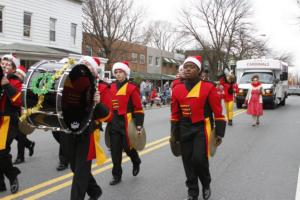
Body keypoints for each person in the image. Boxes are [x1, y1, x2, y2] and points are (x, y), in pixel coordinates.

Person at [171, 56, 226, 200]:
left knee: (199, 159)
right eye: (186, 66)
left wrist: (219, 133)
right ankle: (192, 191)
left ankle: (206, 183)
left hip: (202, 127)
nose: (188, 69)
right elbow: (175, 114)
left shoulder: (208, 87)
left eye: (192, 67)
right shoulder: (177, 89)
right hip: (184, 128)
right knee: (187, 161)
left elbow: (218, 112)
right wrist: (174, 134)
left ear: (199, 70)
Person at [60, 56, 113, 200]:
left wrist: (97, 103)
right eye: (82, 64)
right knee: (74, 168)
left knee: (80, 172)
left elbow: (108, 117)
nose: (84, 67)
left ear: (94, 72)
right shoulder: (67, 83)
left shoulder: (102, 87)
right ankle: (95, 191)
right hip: (69, 132)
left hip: (87, 134)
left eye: (88, 66)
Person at [108, 61, 144, 186]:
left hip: (127, 123)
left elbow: (138, 108)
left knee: (128, 148)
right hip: (113, 122)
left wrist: (139, 125)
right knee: (115, 151)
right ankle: (116, 175)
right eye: (116, 72)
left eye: (120, 72)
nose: (118, 75)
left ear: (126, 73)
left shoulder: (132, 88)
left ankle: (136, 161)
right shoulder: (111, 87)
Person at [0, 54, 22, 194]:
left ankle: (12, 176)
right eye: (3, 63)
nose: (4, 65)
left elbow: (18, 101)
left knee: (1, 152)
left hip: (8, 120)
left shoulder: (15, 81)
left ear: (13, 69)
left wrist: (6, 84)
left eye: (8, 64)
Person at [13, 65, 35, 165]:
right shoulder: (12, 83)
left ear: (23, 77)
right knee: (14, 134)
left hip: (23, 113)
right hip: (13, 113)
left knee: (21, 136)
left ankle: (20, 157)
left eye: (19, 74)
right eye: (16, 73)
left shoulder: (24, 87)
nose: (17, 75)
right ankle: (29, 144)